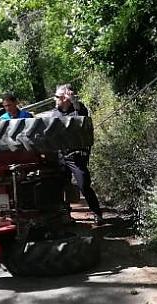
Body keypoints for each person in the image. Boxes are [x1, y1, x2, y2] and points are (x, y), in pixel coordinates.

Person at [52, 84, 103, 225]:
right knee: (61, 186)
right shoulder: (54, 113)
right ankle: (66, 214)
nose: (54, 99)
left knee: (84, 185)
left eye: (57, 96)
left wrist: (73, 100)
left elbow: (83, 117)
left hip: (76, 156)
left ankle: (97, 213)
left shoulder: (78, 109)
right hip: (61, 156)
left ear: (64, 98)